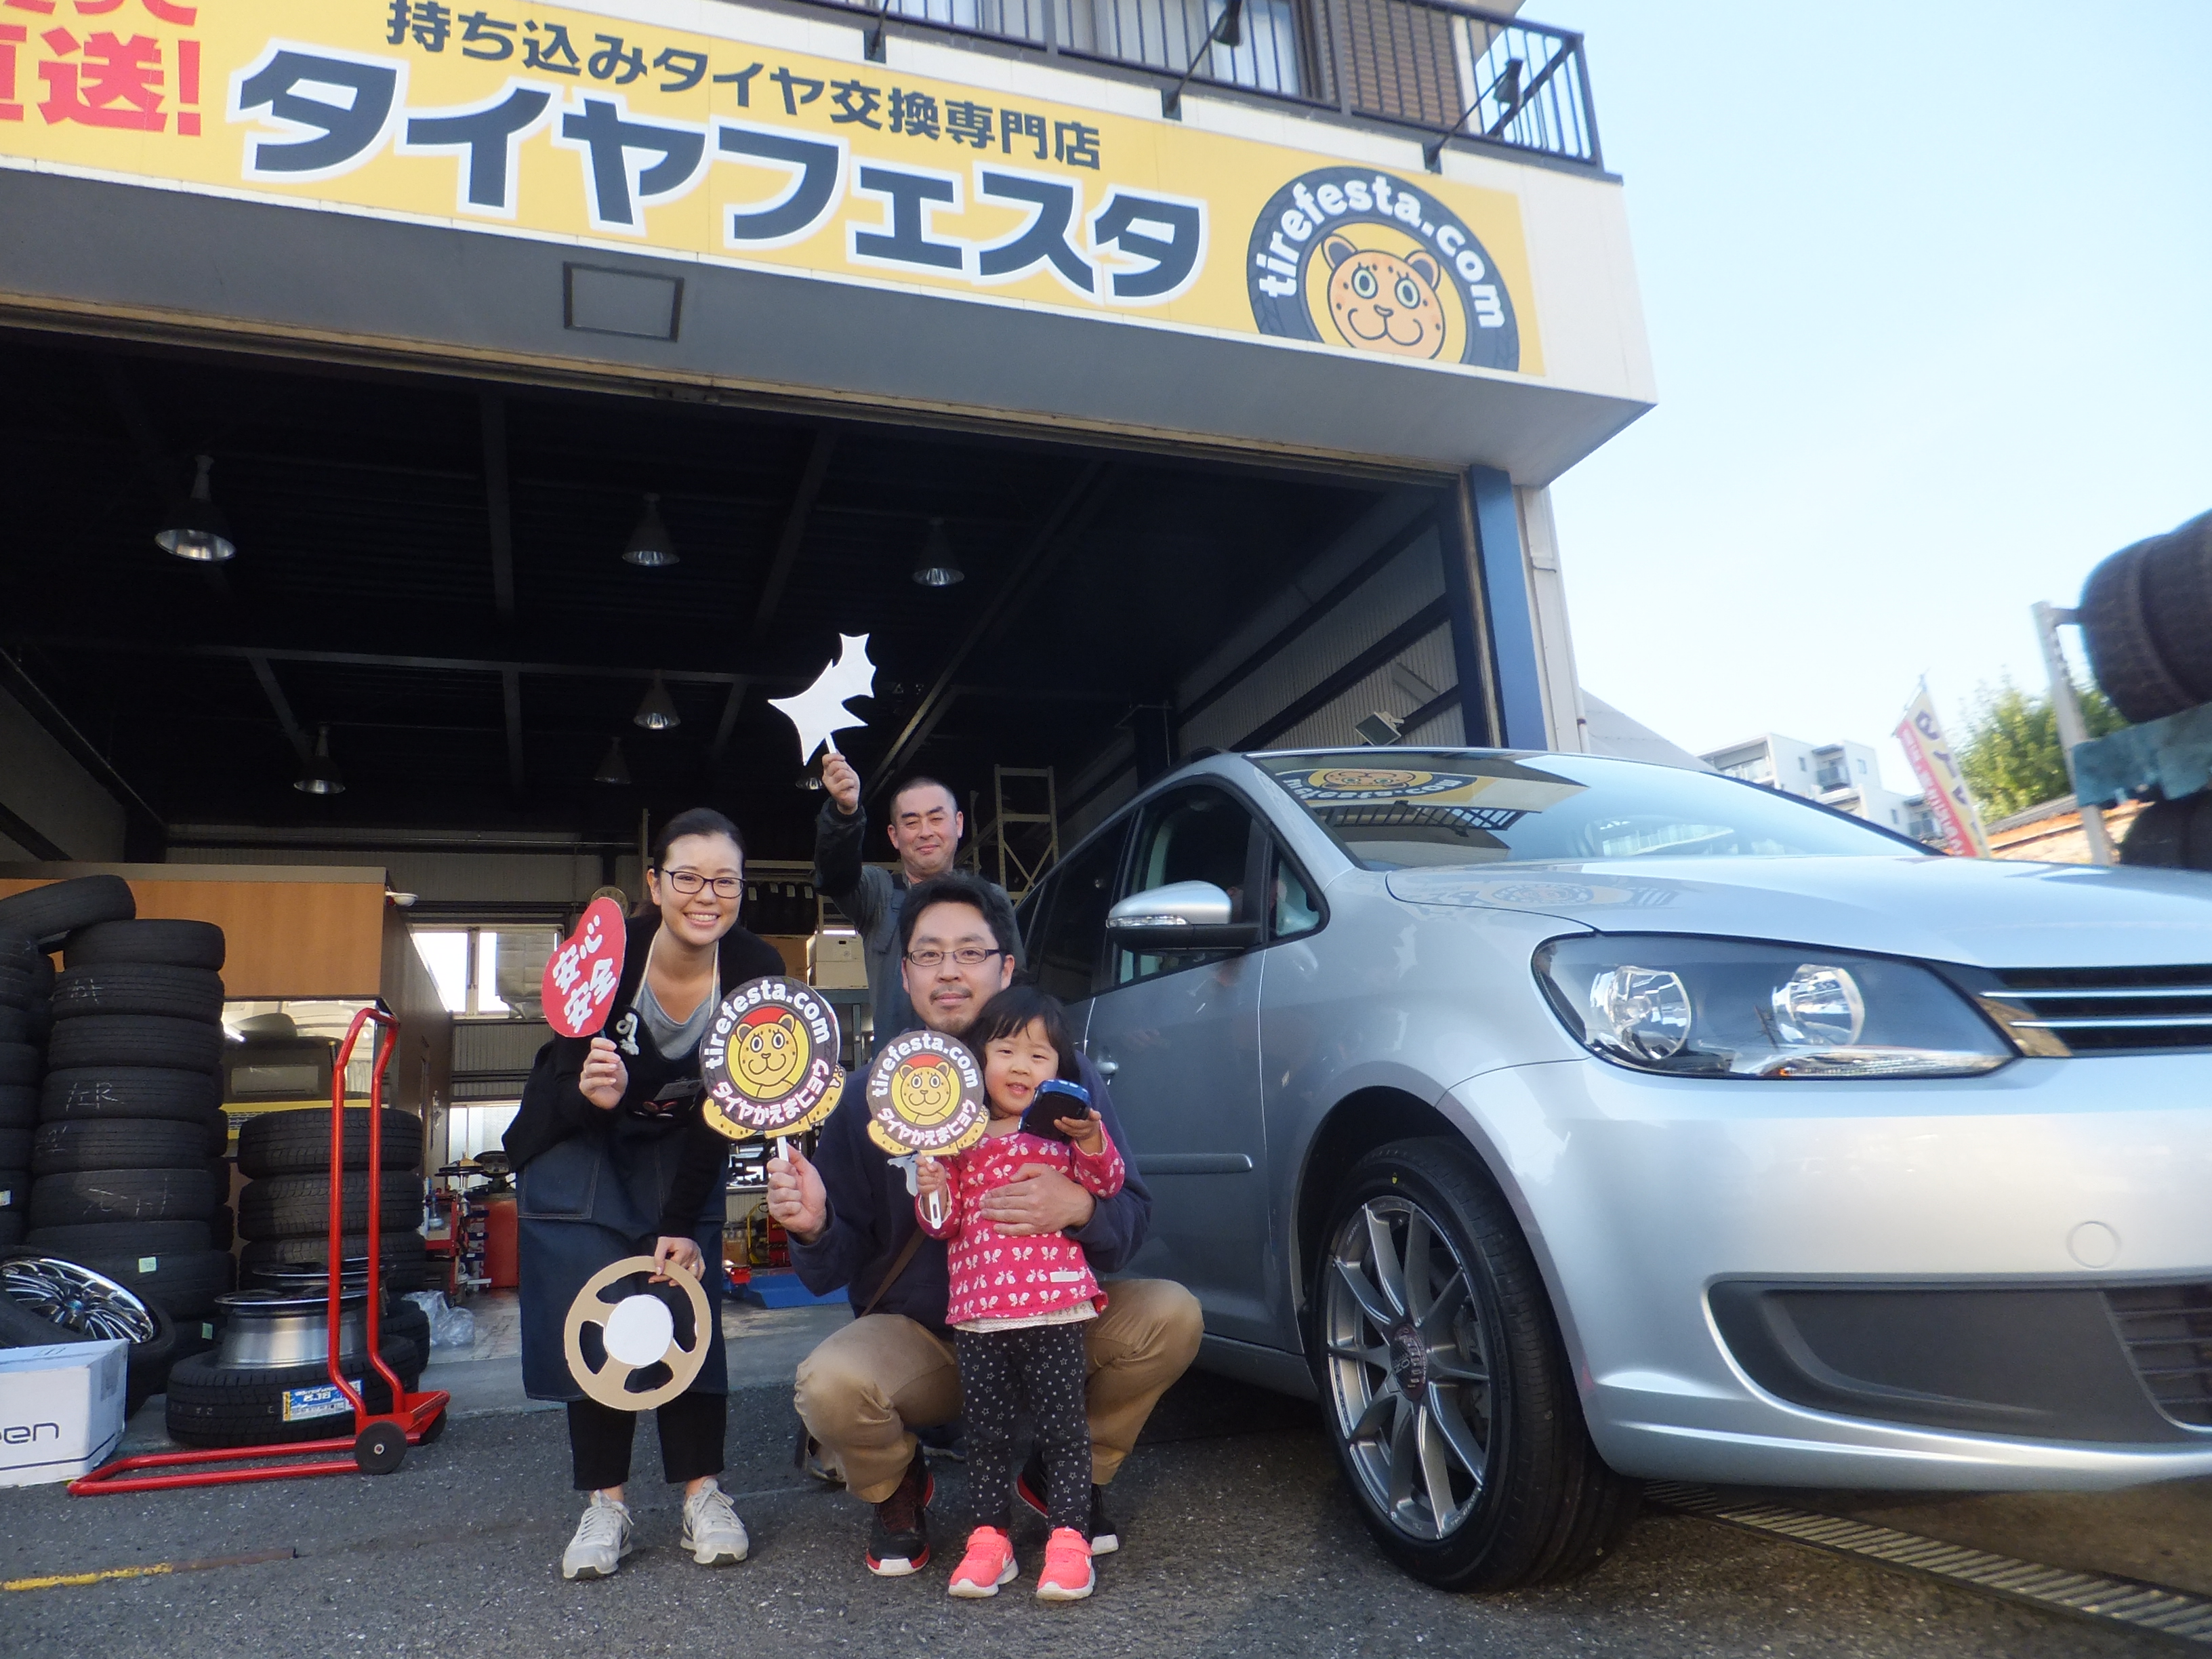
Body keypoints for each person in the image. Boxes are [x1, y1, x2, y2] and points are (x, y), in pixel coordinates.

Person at [765, 869, 1204, 1578]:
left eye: (970, 952)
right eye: (929, 954)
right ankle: (896, 1484)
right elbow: (831, 1269)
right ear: (905, 975)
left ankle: (1065, 1476)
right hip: (933, 1345)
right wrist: (813, 1225)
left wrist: (1081, 1206)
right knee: (831, 1384)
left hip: (1052, 1320)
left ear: (1005, 968)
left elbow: (1131, 1219)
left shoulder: (1063, 1080)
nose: (949, 970)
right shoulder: (869, 1096)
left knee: (1171, 1316)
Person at [505, 808, 784, 1582]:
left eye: (725, 881)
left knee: (682, 1299)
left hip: (685, 1140)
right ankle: (607, 1505)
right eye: (687, 877)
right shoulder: (611, 952)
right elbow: (570, 1074)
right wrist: (593, 1096)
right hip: (579, 1135)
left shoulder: (756, 967)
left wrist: (683, 1222)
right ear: (655, 885)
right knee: (597, 1309)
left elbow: (730, 1106)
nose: (706, 895)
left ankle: (704, 1495)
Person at [916, 985, 1124, 1603]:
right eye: (1005, 1051)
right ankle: (990, 1540)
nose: (1021, 1067)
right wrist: (932, 1184)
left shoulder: (1063, 1135)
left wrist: (1091, 1139)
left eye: (1039, 1056)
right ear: (978, 1061)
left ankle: (1069, 1541)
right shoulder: (957, 1140)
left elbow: (1109, 1182)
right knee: (985, 1437)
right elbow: (941, 1225)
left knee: (1064, 1432)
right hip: (979, 1317)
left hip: (1056, 1309)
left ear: (1061, 1069)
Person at [814, 758, 1017, 1046]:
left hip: (978, 1063)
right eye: (911, 823)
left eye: (936, 819)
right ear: (894, 836)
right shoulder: (879, 894)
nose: (925, 832)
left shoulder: (992, 899)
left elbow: (1019, 991)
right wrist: (844, 815)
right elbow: (836, 876)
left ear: (959, 824)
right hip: (897, 1065)